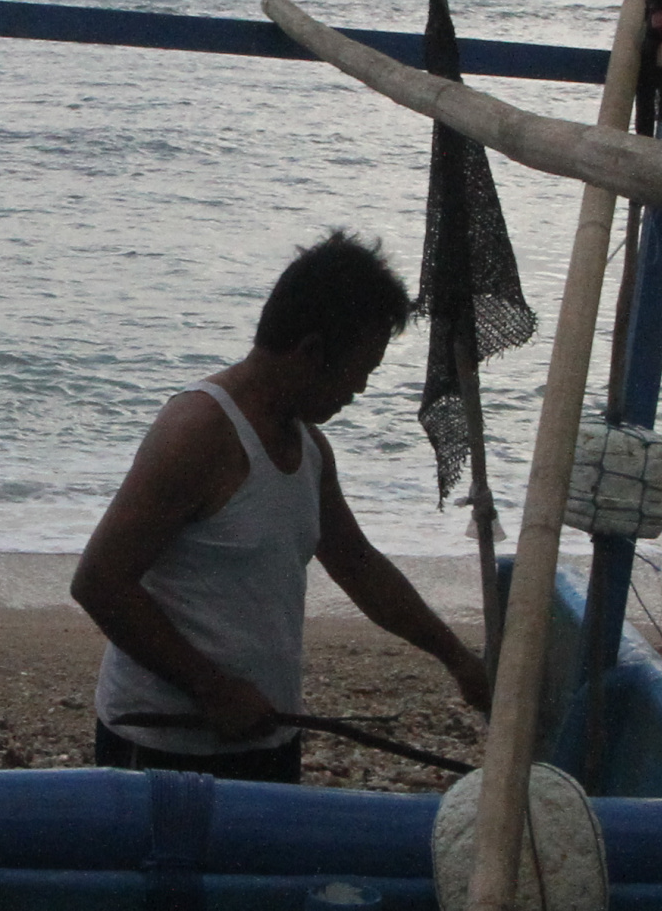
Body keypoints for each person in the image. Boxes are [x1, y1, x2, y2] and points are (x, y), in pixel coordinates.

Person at [74, 229, 493, 783]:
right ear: (311, 352)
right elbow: (99, 582)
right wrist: (210, 687)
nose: (361, 389)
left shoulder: (310, 448)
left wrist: (457, 659)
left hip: (266, 734)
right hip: (166, 747)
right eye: (360, 370)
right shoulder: (199, 432)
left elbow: (360, 567)